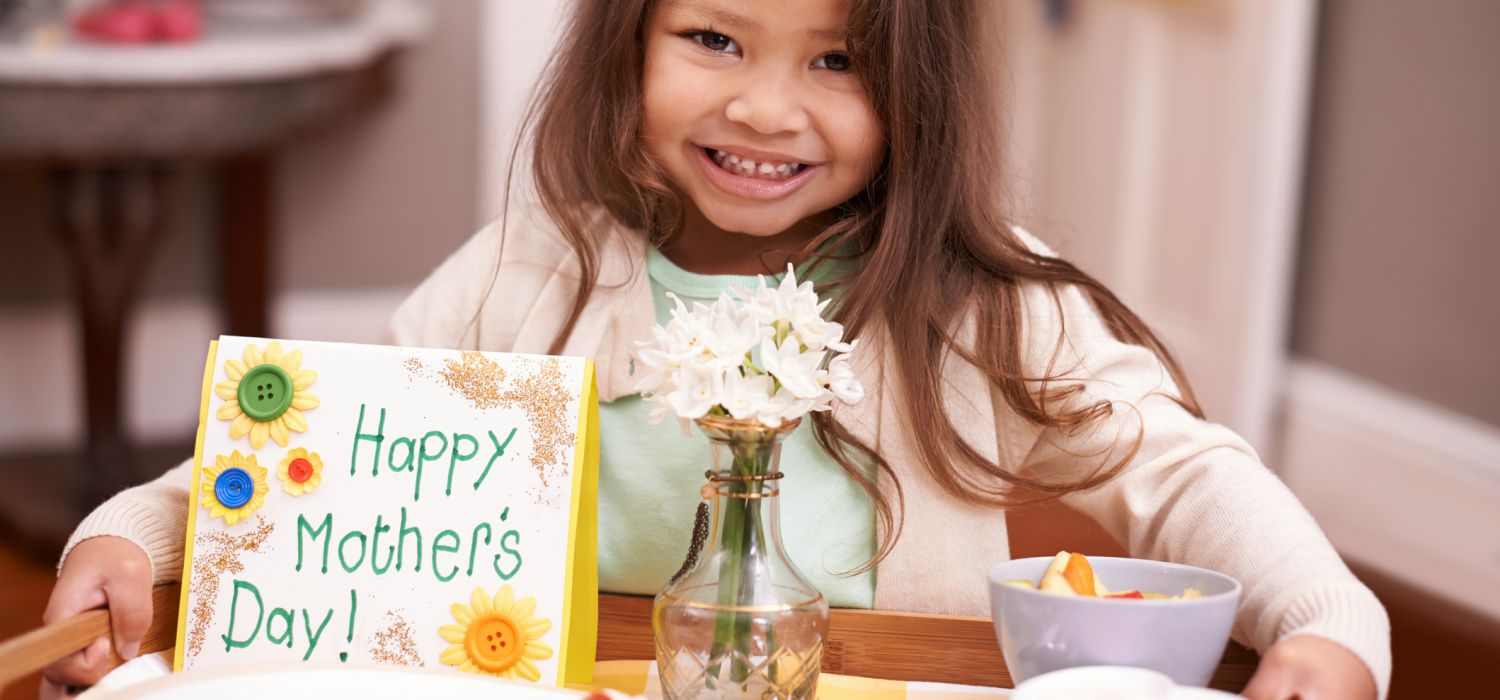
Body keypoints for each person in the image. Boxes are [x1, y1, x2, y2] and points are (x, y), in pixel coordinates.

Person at [42, 1, 1390, 698]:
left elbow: (1188, 477)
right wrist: (126, 534)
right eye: (713, 37)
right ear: (629, 44)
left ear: (913, 91)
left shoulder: (972, 305)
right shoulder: (535, 270)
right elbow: (318, 464)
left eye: (837, 61)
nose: (763, 105)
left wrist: (1333, 630)